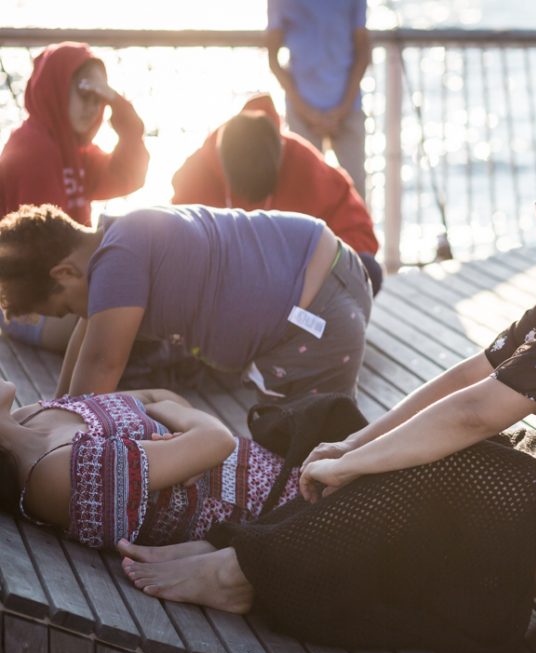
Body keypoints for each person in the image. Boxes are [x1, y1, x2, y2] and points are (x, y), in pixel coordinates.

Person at [118, 135, 536, 652]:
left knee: (438, 464)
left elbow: (473, 413)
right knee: (376, 438)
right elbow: (471, 375)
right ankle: (244, 547)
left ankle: (240, 572)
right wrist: (357, 441)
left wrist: (352, 465)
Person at [0, 203, 372, 402]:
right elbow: (88, 338)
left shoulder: (117, 261)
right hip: (332, 273)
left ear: (63, 273)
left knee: (301, 456)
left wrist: (56, 438)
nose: (77, 316)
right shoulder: (119, 236)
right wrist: (57, 407)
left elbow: (101, 363)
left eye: (65, 308)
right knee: (298, 438)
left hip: (315, 319)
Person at [0, 383, 301, 550]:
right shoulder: (49, 476)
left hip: (283, 468)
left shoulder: (33, 414)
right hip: (277, 517)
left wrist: (178, 424)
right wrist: (180, 422)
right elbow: (219, 441)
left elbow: (161, 395)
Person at [0, 42, 149, 350]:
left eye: (100, 99)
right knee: (121, 313)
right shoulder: (36, 149)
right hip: (26, 301)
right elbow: (47, 257)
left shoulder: (74, 150)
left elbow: (129, 177)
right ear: (56, 87)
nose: (92, 107)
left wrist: (125, 118)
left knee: (127, 307)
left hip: (57, 286)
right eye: (84, 93)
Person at [170, 94, 382, 294]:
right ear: (222, 164)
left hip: (295, 287)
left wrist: (314, 268)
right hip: (224, 288)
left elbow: (359, 231)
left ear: (280, 156)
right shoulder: (198, 172)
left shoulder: (305, 164)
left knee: (367, 269)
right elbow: (175, 243)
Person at [267, 0, 371, 199]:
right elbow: (273, 57)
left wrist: (342, 109)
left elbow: (363, 52)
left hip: (347, 110)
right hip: (303, 112)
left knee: (356, 194)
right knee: (303, 196)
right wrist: (306, 111)